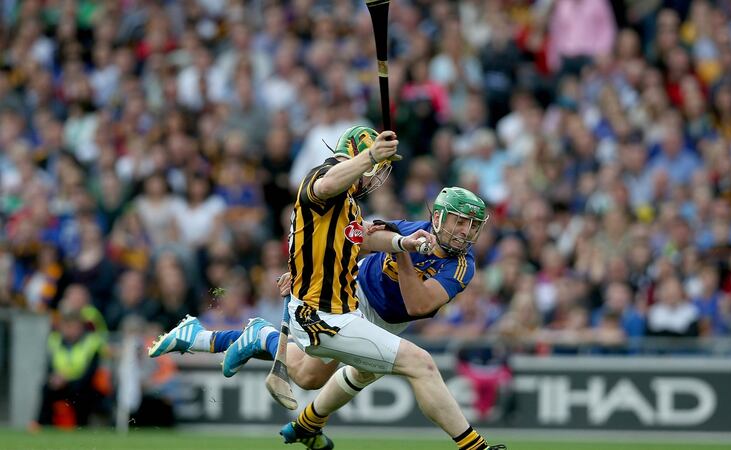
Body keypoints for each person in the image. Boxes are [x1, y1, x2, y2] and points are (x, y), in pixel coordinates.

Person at [150, 127, 504, 450]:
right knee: (419, 363)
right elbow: (325, 186)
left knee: (311, 375)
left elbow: (362, 246)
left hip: (359, 307)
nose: (466, 232)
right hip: (336, 303)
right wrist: (372, 164)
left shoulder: (353, 207)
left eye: (472, 226)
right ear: (439, 217)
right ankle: (475, 447)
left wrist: (398, 244)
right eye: (460, 222)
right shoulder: (326, 181)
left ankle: (267, 375)